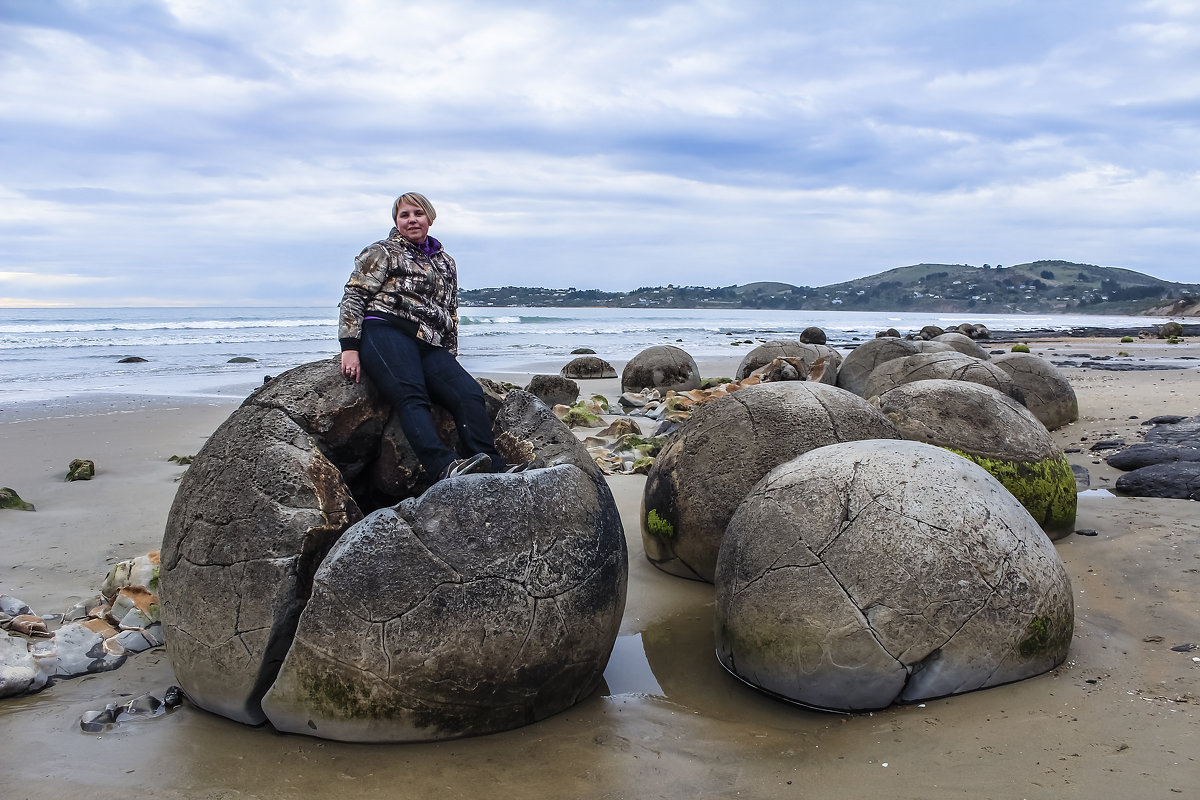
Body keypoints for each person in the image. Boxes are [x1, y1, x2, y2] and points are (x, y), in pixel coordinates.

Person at [338, 192, 506, 480]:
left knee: (468, 394)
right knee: (412, 396)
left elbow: (449, 310)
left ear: (429, 218)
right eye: (404, 215)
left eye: (417, 213)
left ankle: (490, 464)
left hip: (429, 340)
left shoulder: (445, 261)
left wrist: (450, 357)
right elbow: (354, 295)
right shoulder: (382, 251)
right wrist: (350, 346)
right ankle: (445, 466)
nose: (411, 220)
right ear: (396, 221)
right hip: (385, 328)